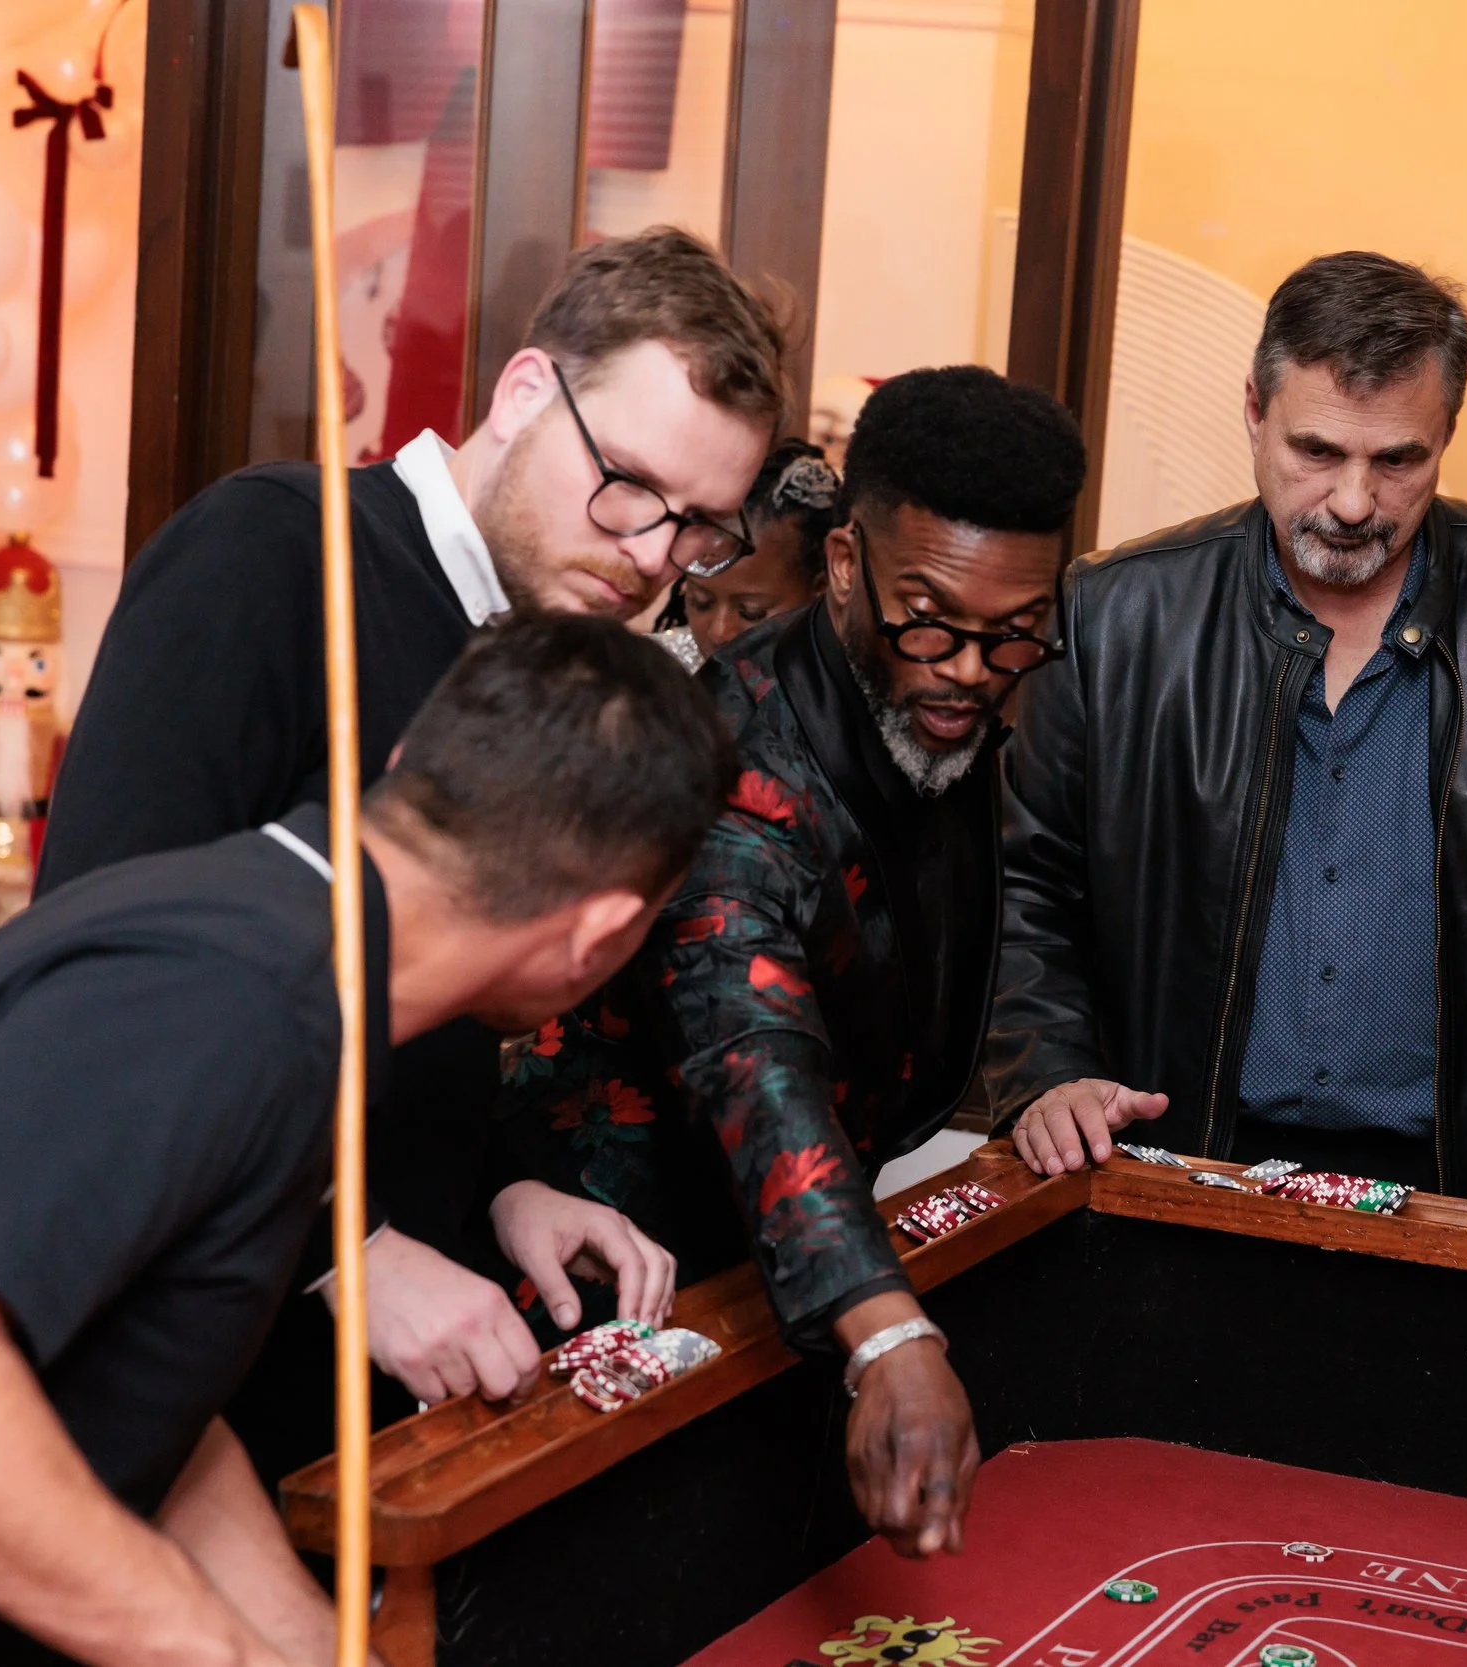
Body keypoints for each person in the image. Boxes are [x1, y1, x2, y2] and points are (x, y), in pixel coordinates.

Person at [0, 615, 736, 1667]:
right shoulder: (241, 996)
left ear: (404, 764)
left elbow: (138, 1396)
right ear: (600, 931)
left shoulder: (293, 946)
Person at [36, 227, 784, 1475]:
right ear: (525, 393)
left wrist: (502, 1186)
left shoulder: (529, 638)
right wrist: (347, 1246)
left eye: (699, 527)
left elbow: (416, 1005)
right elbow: (99, 977)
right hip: (171, 1352)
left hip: (371, 1382)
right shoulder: (273, 552)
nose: (654, 555)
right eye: (631, 486)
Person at [492, 366, 1086, 1558]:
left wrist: (1057, 1074)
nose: (969, 668)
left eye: (1014, 631)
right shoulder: (724, 763)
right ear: (844, 564)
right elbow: (755, 1064)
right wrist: (889, 1337)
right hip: (602, 1307)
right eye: (931, 618)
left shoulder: (955, 703)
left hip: (777, 1295)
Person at [994, 251, 1467, 1196]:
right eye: (1317, 452)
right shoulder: (1114, 614)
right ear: (1253, 411)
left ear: (1448, 433)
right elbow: (1026, 885)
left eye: (1399, 459)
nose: (1355, 503)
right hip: (1178, 1166)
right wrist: (1048, 1072)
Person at [656, 439, 843, 664]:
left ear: (821, 589)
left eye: (751, 612)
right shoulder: (656, 676)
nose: (719, 632)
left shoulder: (850, 690)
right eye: (700, 601)